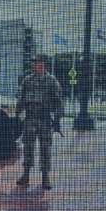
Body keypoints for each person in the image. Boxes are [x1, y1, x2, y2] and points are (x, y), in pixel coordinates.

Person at [16, 55, 65, 190]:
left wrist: (57, 119)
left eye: (40, 63)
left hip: (44, 119)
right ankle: (25, 175)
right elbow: (21, 98)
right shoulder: (27, 80)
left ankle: (45, 177)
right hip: (30, 118)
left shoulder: (51, 81)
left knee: (45, 148)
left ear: (44, 65)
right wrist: (17, 114)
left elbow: (59, 101)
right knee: (28, 147)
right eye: (35, 63)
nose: (37, 65)